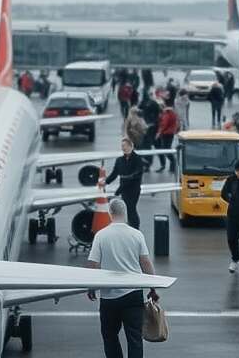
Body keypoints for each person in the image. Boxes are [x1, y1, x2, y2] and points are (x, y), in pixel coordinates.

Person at [87, 198, 159, 358]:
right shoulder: (136, 235)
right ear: (125, 213)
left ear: (110, 213)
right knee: (134, 338)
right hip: (133, 295)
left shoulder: (101, 235)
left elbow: (93, 263)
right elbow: (145, 263)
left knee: (110, 337)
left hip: (108, 297)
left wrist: (91, 287)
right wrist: (153, 288)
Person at [105, 138, 145, 229]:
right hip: (124, 189)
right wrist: (106, 182)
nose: (123, 148)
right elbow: (114, 173)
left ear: (131, 146)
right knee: (127, 208)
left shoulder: (137, 159)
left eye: (125, 146)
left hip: (133, 189)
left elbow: (138, 173)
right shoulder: (119, 160)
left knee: (131, 208)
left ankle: (135, 227)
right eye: (122, 146)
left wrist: (126, 178)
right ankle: (130, 226)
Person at [139, 94, 161, 170]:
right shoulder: (154, 104)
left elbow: (140, 109)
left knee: (146, 147)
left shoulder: (146, 104)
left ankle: (147, 164)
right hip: (152, 128)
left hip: (150, 129)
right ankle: (149, 164)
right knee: (157, 147)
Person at [155, 103, 179, 173]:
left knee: (165, 149)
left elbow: (163, 125)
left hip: (166, 134)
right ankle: (172, 166)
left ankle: (173, 163)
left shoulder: (167, 114)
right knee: (167, 148)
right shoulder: (173, 113)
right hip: (171, 133)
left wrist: (158, 133)